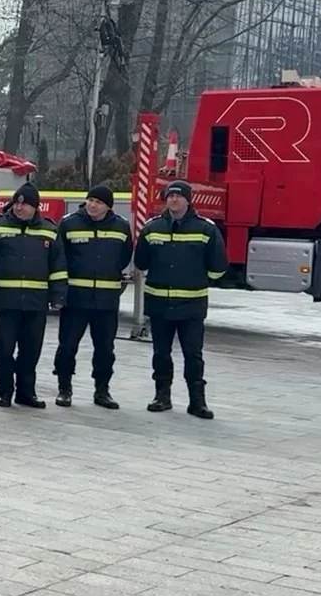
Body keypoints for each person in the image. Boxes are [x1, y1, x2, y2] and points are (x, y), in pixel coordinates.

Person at [134, 179, 228, 419]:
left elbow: (218, 266)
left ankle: (197, 402)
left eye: (178, 196)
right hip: (159, 304)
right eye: (169, 196)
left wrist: (195, 277)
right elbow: (141, 261)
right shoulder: (152, 227)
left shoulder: (206, 229)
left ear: (188, 199)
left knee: (193, 355)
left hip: (191, 306)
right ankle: (161, 396)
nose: (173, 200)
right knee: (161, 354)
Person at [0, 183, 65, 409]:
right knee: (4, 349)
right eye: (17, 203)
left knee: (31, 349)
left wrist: (59, 296)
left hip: (36, 302)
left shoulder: (50, 230)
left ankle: (26, 392)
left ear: (36, 208)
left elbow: (59, 266)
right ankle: (5, 391)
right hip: (7, 300)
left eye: (25, 204)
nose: (20, 208)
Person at [53, 185, 132, 409]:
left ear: (108, 206)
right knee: (67, 346)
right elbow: (59, 257)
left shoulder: (121, 227)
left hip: (106, 301)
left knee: (105, 349)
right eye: (90, 200)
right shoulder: (69, 224)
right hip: (76, 299)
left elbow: (124, 257)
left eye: (98, 202)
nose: (92, 205)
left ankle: (102, 390)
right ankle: (64, 388)